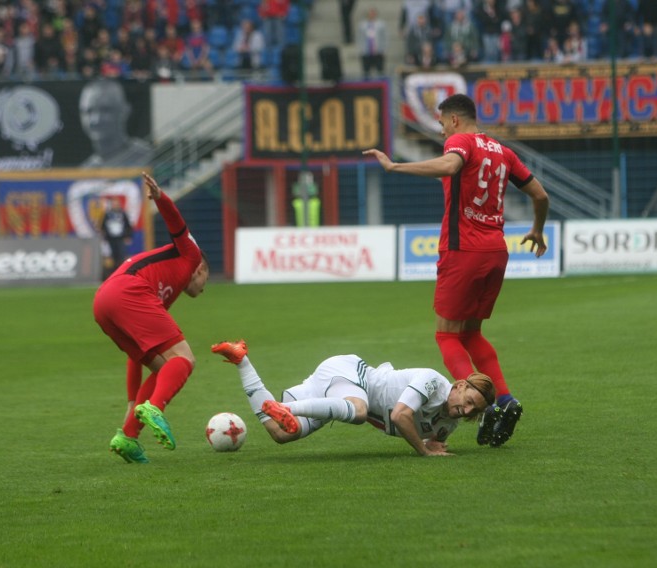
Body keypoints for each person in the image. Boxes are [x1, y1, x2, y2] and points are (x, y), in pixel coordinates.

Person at [362, 94, 549, 447]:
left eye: (442, 122)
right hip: (495, 251)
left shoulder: (459, 142)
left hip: (463, 250)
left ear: (454, 120)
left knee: (446, 336)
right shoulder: (502, 151)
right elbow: (540, 195)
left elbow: (449, 166)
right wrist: (537, 229)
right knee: (470, 335)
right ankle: (506, 401)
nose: (441, 128)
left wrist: (394, 167)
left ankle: (481, 403)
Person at [94, 173, 210, 463]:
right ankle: (156, 407)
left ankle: (128, 437)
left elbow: (136, 356)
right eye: (205, 281)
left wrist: (133, 400)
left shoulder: (163, 289)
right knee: (185, 359)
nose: (202, 289)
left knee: (163, 369)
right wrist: (161, 198)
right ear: (201, 269)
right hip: (128, 290)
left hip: (104, 301)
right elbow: (177, 226)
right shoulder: (191, 255)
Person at [211, 340, 496, 456]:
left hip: (338, 396)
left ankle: (241, 359)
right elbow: (400, 415)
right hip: (350, 375)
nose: (465, 410)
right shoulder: (433, 381)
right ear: (459, 385)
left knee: (282, 433)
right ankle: (284, 407)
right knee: (358, 412)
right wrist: (423, 451)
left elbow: (408, 428)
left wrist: (427, 441)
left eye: (473, 411)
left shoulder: (448, 425)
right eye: (468, 400)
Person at [78, 78, 153, 168]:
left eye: (105, 110)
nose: (95, 120)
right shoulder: (86, 170)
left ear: (125, 111)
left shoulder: (146, 157)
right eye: (88, 111)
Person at [100, 196, 134, 277]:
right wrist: (104, 237)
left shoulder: (122, 214)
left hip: (120, 238)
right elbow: (103, 226)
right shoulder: (107, 214)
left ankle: (122, 273)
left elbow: (128, 226)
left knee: (121, 255)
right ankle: (115, 274)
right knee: (113, 256)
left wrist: (128, 236)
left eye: (116, 204)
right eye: (114, 204)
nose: (115, 205)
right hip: (111, 239)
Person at [357, 7, 387, 78]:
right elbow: (359, 38)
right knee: (366, 72)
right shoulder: (362, 25)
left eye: (373, 13)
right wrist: (360, 49)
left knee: (380, 71)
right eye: (370, 13)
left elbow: (385, 37)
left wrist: (384, 49)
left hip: (378, 51)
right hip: (366, 52)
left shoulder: (381, 24)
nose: (371, 15)